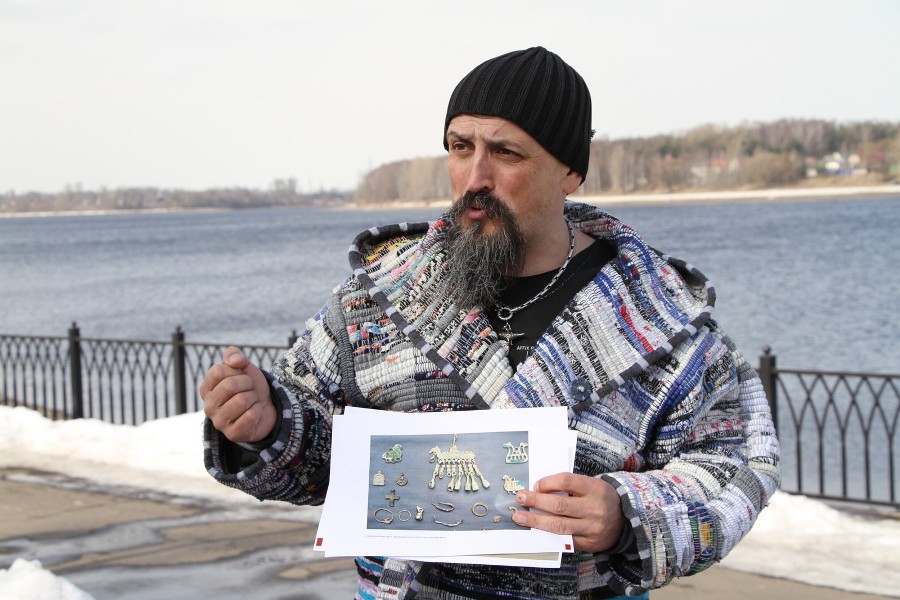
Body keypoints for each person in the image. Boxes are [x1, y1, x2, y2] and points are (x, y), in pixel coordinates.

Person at [199, 47, 780, 599]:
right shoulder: (374, 301)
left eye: (506, 153)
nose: (475, 176)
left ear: (570, 172)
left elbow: (735, 467)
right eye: (460, 147)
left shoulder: (663, 320)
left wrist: (625, 514)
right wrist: (267, 424)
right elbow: (323, 451)